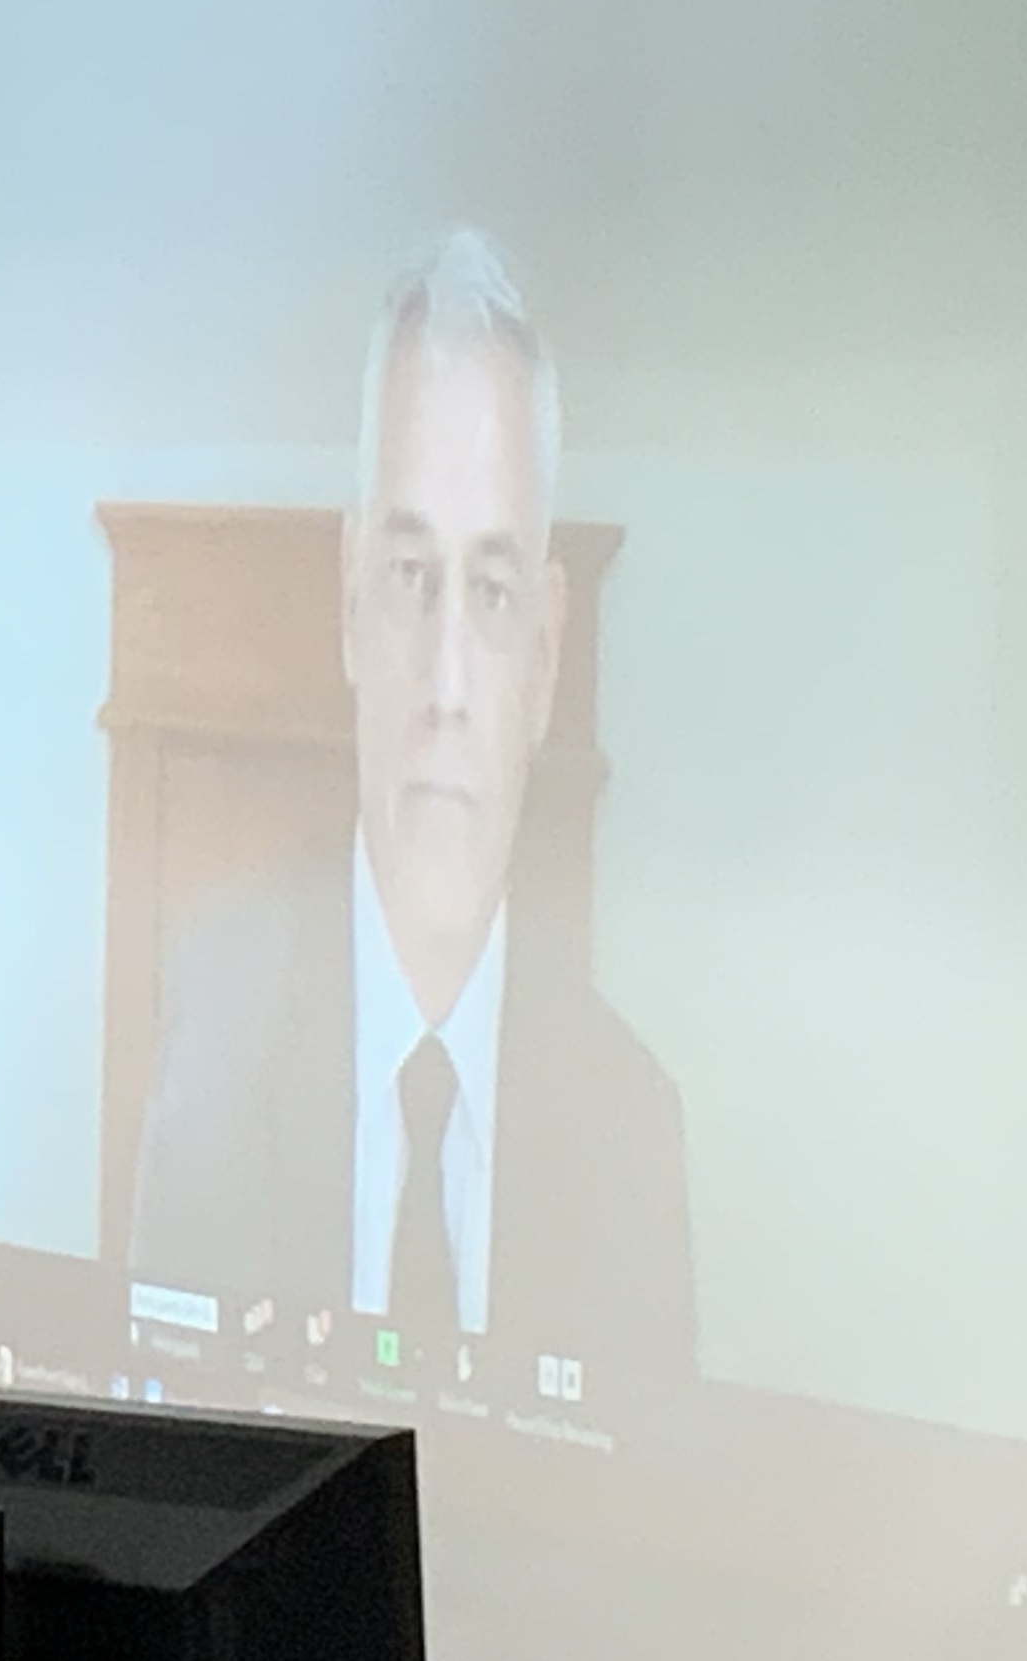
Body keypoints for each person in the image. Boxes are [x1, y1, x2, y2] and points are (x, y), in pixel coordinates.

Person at [126, 227, 695, 1392]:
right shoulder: (213, 1028)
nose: (446, 686)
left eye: (492, 592)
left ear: (546, 655)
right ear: (349, 606)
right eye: (408, 577)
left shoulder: (633, 1126)